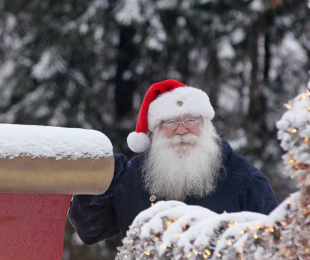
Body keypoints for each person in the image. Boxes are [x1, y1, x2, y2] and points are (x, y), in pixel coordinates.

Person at [69, 79, 278, 245]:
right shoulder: (131, 175)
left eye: (191, 120)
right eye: (170, 122)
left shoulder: (245, 179)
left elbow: (271, 246)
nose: (181, 130)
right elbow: (90, 230)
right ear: (156, 131)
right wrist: (99, 177)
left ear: (206, 123)